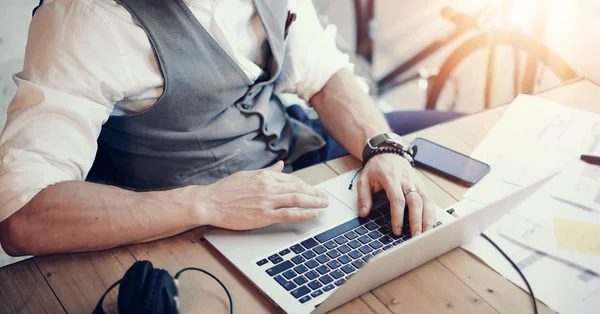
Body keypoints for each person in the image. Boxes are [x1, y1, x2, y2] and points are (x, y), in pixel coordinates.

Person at [0, 0, 463, 256]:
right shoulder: (84, 18)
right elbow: (23, 215)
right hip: (199, 229)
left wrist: (382, 147)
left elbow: (322, 74)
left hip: (304, 162)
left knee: (464, 174)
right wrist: (206, 201)